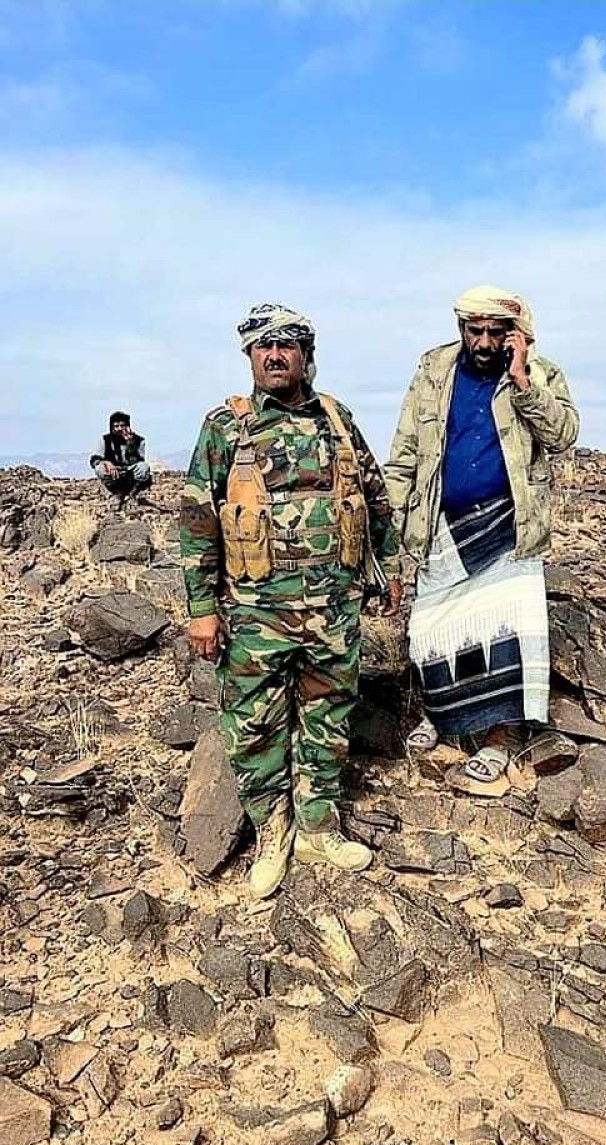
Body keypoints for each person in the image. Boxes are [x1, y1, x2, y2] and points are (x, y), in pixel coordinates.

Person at [180, 303, 402, 899]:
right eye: (262, 347)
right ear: (250, 357)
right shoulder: (227, 426)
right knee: (255, 726)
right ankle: (271, 829)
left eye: (287, 345)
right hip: (254, 614)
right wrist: (202, 609)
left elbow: (375, 498)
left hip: (332, 609)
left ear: (307, 354)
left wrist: (391, 567)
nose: (274, 355)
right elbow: (199, 521)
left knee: (328, 720)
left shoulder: (336, 419)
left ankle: (318, 826)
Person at [384, 284, 578, 785]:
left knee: (504, 633)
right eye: (477, 331)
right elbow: (406, 448)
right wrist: (397, 519)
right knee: (435, 630)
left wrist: (522, 381)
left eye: (497, 332)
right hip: (441, 523)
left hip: (507, 525)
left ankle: (499, 737)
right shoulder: (433, 369)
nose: (486, 342)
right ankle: (444, 718)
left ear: (514, 335)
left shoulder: (540, 374)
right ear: (461, 329)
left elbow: (562, 436)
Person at [90, 412, 152, 508]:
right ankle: (116, 494)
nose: (119, 429)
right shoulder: (105, 440)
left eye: (122, 425)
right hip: (114, 473)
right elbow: (94, 460)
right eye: (116, 426)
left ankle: (132, 495)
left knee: (144, 468)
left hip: (130, 472)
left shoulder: (139, 441)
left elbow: (139, 460)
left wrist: (130, 444)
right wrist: (107, 463)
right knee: (99, 468)